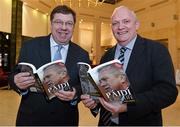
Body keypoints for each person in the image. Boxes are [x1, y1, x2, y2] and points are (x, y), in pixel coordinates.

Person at [81, 6, 178, 126]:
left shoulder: (156, 50)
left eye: (126, 21)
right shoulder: (107, 56)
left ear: (136, 24)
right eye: (115, 23)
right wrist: (94, 102)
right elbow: (105, 92)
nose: (120, 27)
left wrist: (127, 106)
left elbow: (167, 92)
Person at [8, 5, 90, 126]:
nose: (63, 27)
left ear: (73, 26)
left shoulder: (82, 54)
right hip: (31, 119)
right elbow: (14, 75)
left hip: (65, 120)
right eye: (58, 22)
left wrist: (75, 94)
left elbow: (84, 85)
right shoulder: (30, 46)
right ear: (51, 24)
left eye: (69, 23)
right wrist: (16, 81)